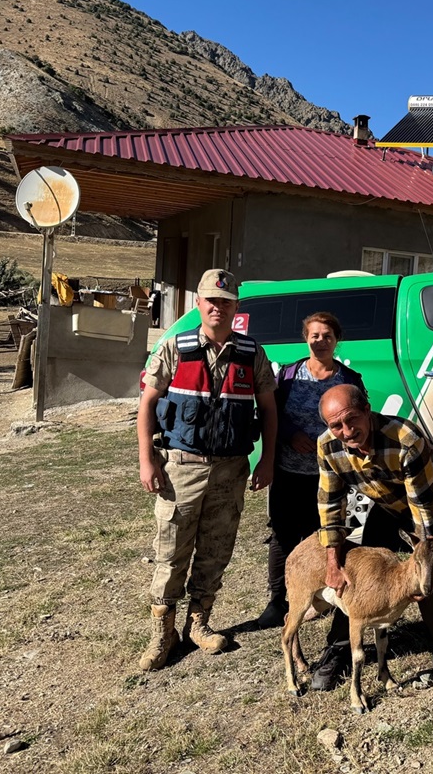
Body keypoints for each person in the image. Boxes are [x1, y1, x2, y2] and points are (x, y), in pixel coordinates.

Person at [136, 268, 278, 671]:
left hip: (231, 470)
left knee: (216, 550)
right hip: (181, 468)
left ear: (236, 307)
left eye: (226, 302)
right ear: (198, 303)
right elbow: (147, 405)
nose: (219, 307)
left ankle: (198, 623)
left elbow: (269, 410)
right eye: (212, 301)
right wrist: (147, 460)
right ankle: (162, 634)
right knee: (171, 552)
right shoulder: (175, 348)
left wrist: (266, 460)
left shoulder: (251, 353)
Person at [311, 384, 433, 690]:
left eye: (352, 419)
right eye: (336, 425)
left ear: (367, 411)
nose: (347, 431)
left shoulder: (405, 438)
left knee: (428, 572)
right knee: (356, 571)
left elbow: (422, 511)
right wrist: (332, 562)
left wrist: (421, 577)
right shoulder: (327, 446)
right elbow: (330, 506)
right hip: (387, 502)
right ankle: (338, 649)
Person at [257, 312, 365, 628]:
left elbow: (360, 420)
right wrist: (291, 434)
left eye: (327, 336)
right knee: (283, 536)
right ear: (306, 338)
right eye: (314, 335)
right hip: (289, 472)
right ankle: (279, 600)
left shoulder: (349, 379)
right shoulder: (290, 375)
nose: (320, 341)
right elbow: (271, 414)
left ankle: (321, 596)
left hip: (331, 476)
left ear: (336, 340)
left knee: (325, 535)